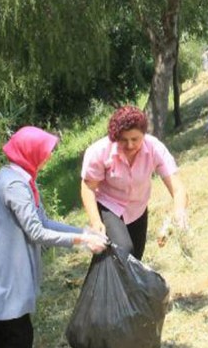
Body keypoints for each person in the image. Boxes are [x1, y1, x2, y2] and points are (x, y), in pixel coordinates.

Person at [0, 126, 107, 348]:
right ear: (30, 152)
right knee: (18, 337)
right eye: (45, 151)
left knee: (5, 336)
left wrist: (83, 232)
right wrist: (83, 242)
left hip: (4, 273)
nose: (49, 156)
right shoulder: (14, 185)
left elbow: (44, 222)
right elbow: (37, 232)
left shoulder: (24, 179)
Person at [81, 106, 188, 260]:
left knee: (135, 259)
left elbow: (177, 188)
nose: (130, 145)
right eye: (123, 140)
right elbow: (88, 187)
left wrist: (179, 211)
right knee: (123, 250)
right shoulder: (99, 152)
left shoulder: (154, 148)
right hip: (109, 205)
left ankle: (122, 284)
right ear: (115, 137)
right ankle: (106, 283)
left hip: (138, 208)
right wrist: (95, 221)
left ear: (143, 135)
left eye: (135, 139)